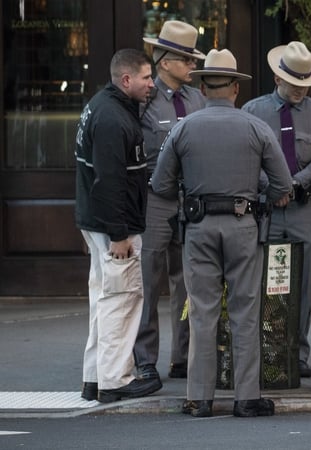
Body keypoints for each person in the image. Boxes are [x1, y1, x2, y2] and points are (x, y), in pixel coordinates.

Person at [151, 49, 293, 418]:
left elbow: (161, 184)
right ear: (234, 88)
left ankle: (199, 398)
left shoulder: (184, 127)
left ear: (202, 86)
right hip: (243, 225)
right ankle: (247, 397)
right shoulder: (256, 127)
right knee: (246, 311)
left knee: (202, 311)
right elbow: (282, 185)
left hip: (198, 227)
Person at [75, 48, 162, 403]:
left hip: (99, 223)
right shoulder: (113, 118)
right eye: (145, 78)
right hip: (115, 227)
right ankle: (115, 381)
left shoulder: (100, 105)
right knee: (121, 300)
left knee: (104, 298)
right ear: (126, 79)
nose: (151, 85)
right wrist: (119, 235)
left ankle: (95, 379)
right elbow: (109, 182)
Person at [241, 41, 311, 379]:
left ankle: (297, 353)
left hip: (304, 209)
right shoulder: (253, 111)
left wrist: (294, 186)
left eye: (306, 85)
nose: (300, 91)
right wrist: (274, 187)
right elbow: (245, 158)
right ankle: (266, 350)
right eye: (295, 84)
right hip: (267, 211)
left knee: (303, 284)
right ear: (278, 79)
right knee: (266, 282)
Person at [134, 20, 206, 383]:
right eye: (186, 60)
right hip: (155, 199)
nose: (193, 65)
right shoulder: (145, 98)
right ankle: (145, 360)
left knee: (187, 281)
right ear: (165, 62)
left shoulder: (196, 99)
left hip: (190, 198)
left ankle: (183, 357)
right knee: (149, 280)